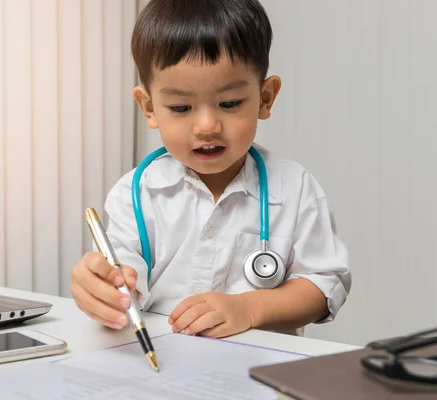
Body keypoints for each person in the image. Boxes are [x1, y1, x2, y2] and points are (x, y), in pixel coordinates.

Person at [70, 0, 351, 338]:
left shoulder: (294, 188)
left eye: (229, 103)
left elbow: (324, 287)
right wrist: (106, 288)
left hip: (258, 372)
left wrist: (249, 308)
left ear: (265, 98)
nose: (206, 126)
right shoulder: (136, 193)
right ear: (150, 108)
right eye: (180, 107)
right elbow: (124, 274)